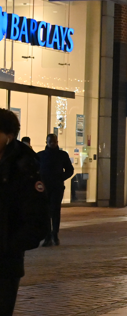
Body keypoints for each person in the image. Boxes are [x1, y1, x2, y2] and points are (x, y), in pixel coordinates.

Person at [0, 109, 43, 315]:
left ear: (8, 136)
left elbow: (37, 217)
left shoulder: (25, 165)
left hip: (6, 259)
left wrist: (11, 245)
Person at [37, 134, 73, 247]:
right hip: (45, 188)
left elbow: (69, 170)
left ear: (57, 142)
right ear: (46, 142)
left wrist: (60, 177)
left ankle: (54, 234)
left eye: (54, 142)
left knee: (55, 210)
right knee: (45, 211)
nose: (52, 144)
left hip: (56, 187)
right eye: (50, 142)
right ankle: (48, 236)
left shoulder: (62, 155)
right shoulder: (40, 156)